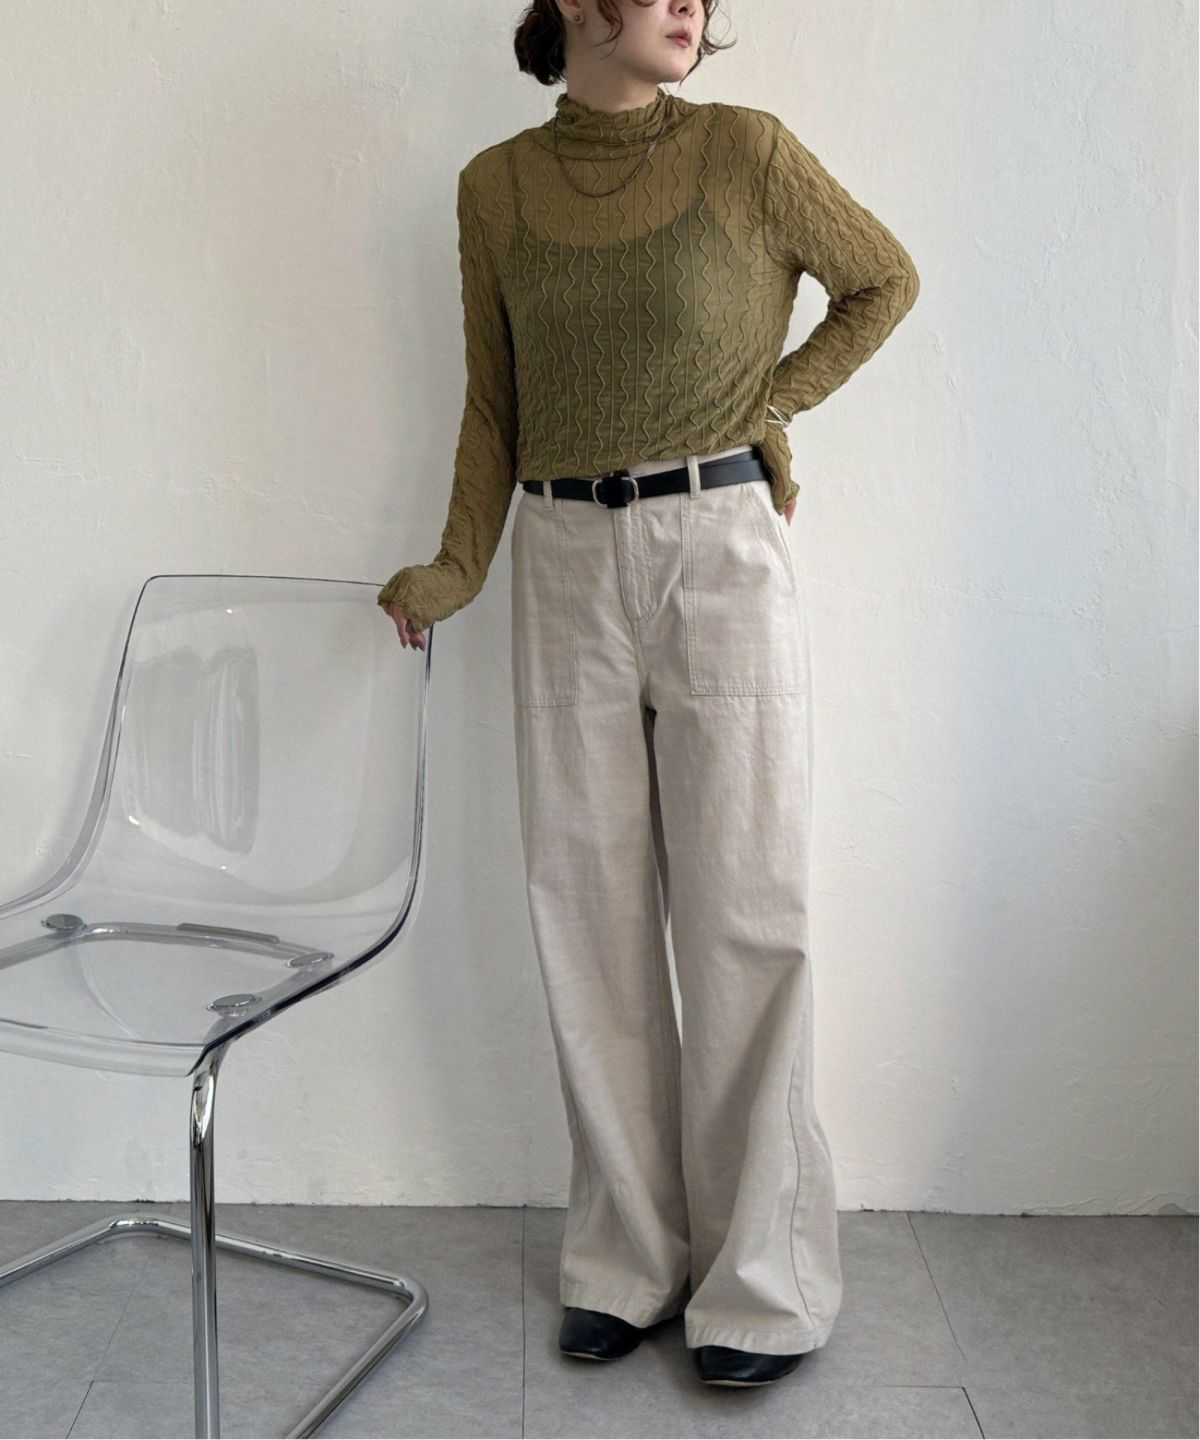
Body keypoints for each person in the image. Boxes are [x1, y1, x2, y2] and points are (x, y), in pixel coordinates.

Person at [378, 0, 919, 1389]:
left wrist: (768, 407)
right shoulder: (495, 186)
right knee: (587, 911)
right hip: (561, 555)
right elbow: (494, 403)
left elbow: (882, 280)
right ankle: (627, 1262)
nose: (689, 5)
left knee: (746, 913)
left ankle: (764, 1286)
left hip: (718, 544)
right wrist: (455, 565)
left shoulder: (746, 151)